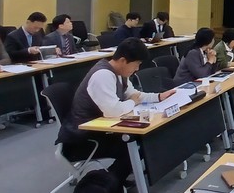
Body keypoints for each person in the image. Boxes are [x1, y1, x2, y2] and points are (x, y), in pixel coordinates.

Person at [57, 38, 176, 183]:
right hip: (82, 139)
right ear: (123, 60)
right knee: (134, 143)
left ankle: (115, 178)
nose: (137, 69)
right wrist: (133, 102)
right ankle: (110, 182)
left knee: (144, 139)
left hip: (102, 129)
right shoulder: (102, 75)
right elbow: (113, 111)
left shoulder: (120, 73)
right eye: (136, 64)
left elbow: (134, 95)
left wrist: (158, 97)